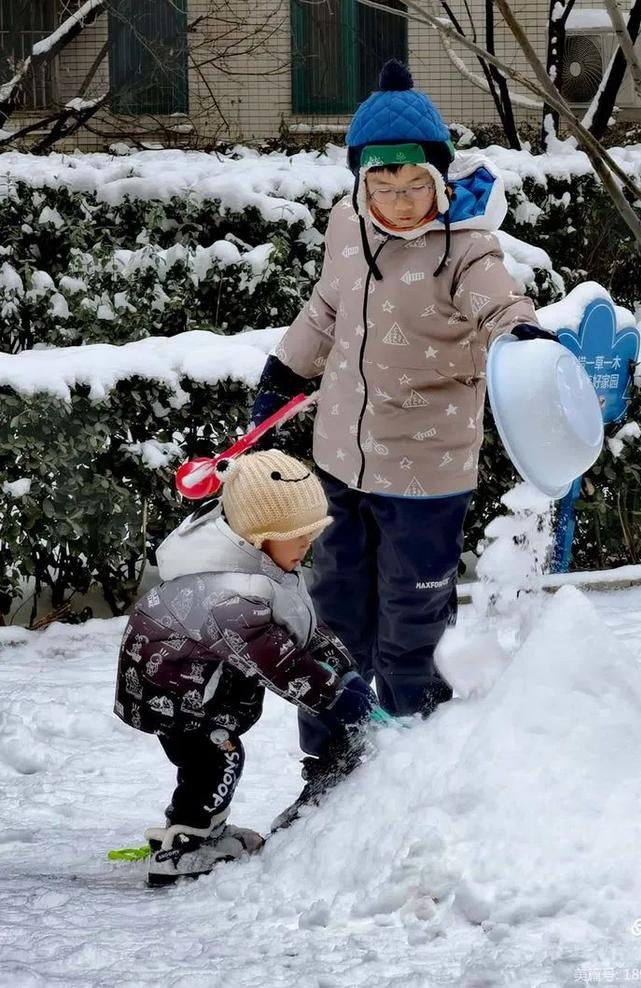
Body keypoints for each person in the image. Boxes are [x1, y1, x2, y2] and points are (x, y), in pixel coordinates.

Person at [251, 60, 556, 754]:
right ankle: (330, 766)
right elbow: (327, 308)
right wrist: (285, 371)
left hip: (426, 472)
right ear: (360, 180)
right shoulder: (346, 226)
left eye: (416, 183)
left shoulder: (466, 247)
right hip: (338, 464)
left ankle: (414, 765)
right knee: (332, 626)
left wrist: (526, 338)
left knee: (412, 627)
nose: (401, 201)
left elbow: (502, 308)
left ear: (439, 178)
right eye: (382, 184)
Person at [114, 449, 377, 886]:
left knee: (206, 765)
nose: (307, 545)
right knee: (218, 760)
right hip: (176, 699)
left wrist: (343, 670)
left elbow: (301, 627)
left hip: (192, 687)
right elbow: (276, 658)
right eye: (297, 535)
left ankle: (199, 829)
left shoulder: (259, 567)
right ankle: (183, 848)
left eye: (312, 534)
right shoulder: (228, 594)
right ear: (260, 534)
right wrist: (331, 694)